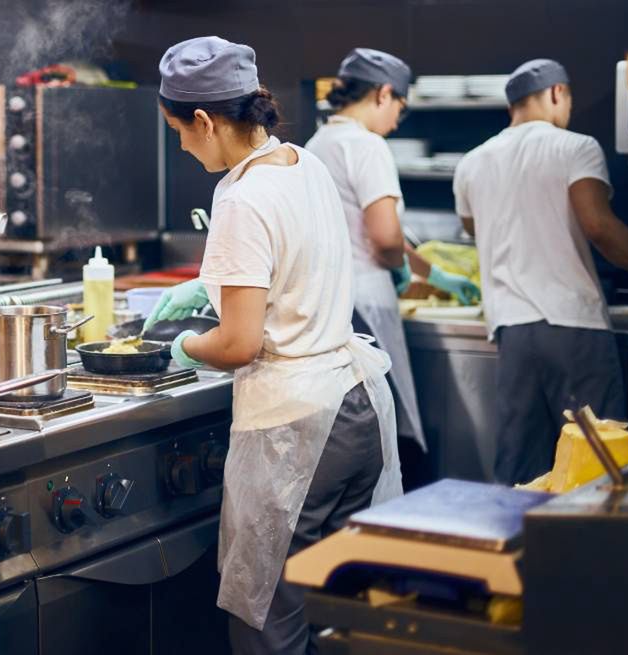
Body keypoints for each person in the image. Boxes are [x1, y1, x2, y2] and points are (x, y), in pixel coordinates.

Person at [143, 36, 402, 655]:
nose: (180, 144)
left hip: (298, 431)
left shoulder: (239, 197)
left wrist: (186, 345)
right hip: (357, 405)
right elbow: (292, 265)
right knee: (336, 616)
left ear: (204, 120)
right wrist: (206, 287)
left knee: (270, 623)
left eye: (179, 130)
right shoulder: (301, 162)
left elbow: (238, 343)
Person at [454, 58, 628, 485]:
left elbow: (474, 229)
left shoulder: (471, 163)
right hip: (574, 327)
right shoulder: (574, 147)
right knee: (600, 465)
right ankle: (592, 551)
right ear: (557, 94)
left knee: (521, 471)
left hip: (512, 331)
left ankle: (519, 550)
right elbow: (599, 227)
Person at [305, 48, 481, 453]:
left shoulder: (317, 143)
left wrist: (430, 272)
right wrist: (398, 268)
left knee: (350, 423)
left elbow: (367, 228)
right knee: (385, 423)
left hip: (330, 301)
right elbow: (384, 239)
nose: (398, 119)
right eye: (400, 106)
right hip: (367, 302)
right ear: (384, 93)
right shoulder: (366, 146)